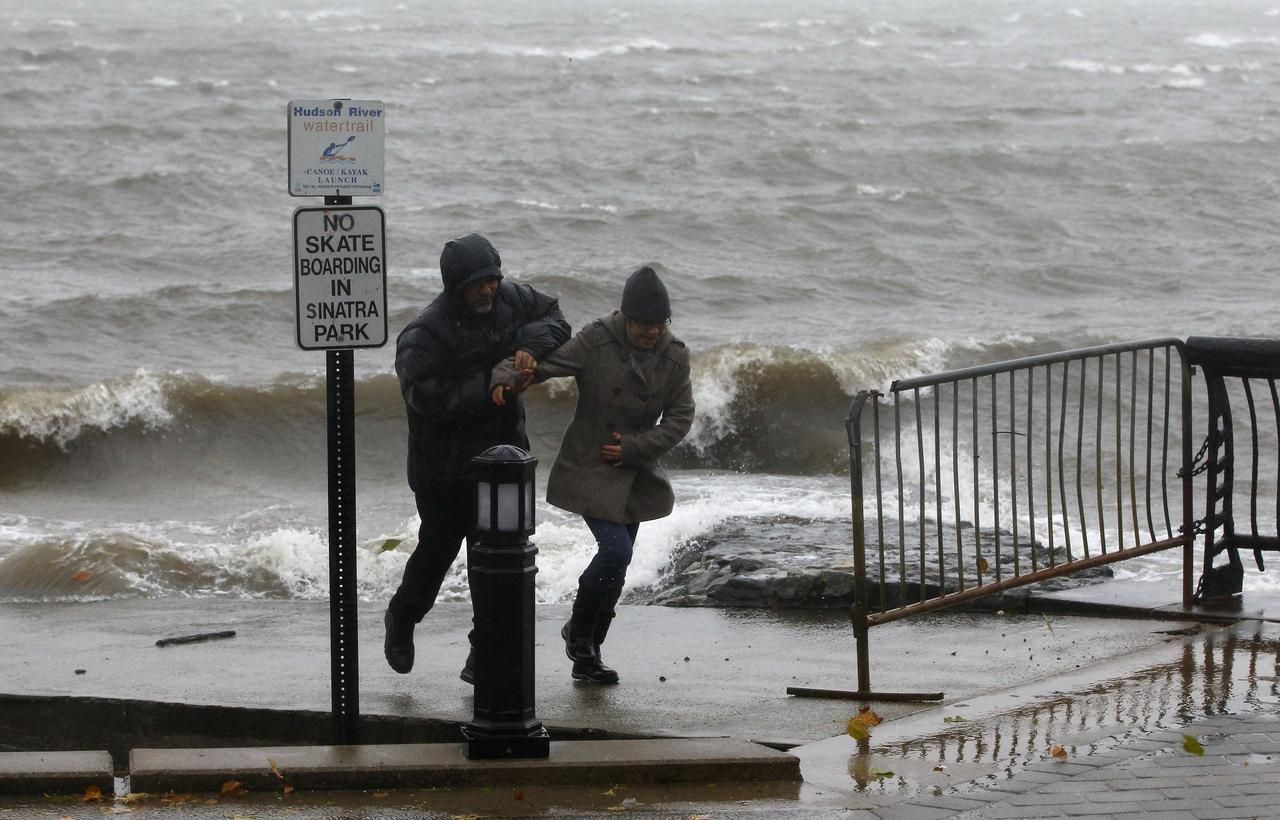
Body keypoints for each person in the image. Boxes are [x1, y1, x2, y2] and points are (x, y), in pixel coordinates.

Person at [491, 266, 695, 684]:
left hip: (635, 468)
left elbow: (681, 415)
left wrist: (637, 448)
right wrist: (507, 375)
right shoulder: (597, 339)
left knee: (619, 566)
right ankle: (580, 632)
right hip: (590, 463)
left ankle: (587, 653)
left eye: (660, 325)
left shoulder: (675, 356)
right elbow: (546, 365)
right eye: (644, 325)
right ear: (626, 316)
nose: (652, 333)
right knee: (616, 552)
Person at [385, 232, 571, 679]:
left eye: (492, 280)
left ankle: (481, 650)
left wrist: (528, 348)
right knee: (438, 551)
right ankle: (403, 616)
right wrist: (491, 387)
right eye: (477, 284)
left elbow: (555, 316)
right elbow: (427, 401)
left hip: (506, 459)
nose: (488, 290)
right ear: (455, 287)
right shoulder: (423, 334)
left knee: (497, 559)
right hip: (443, 467)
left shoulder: (512, 299)